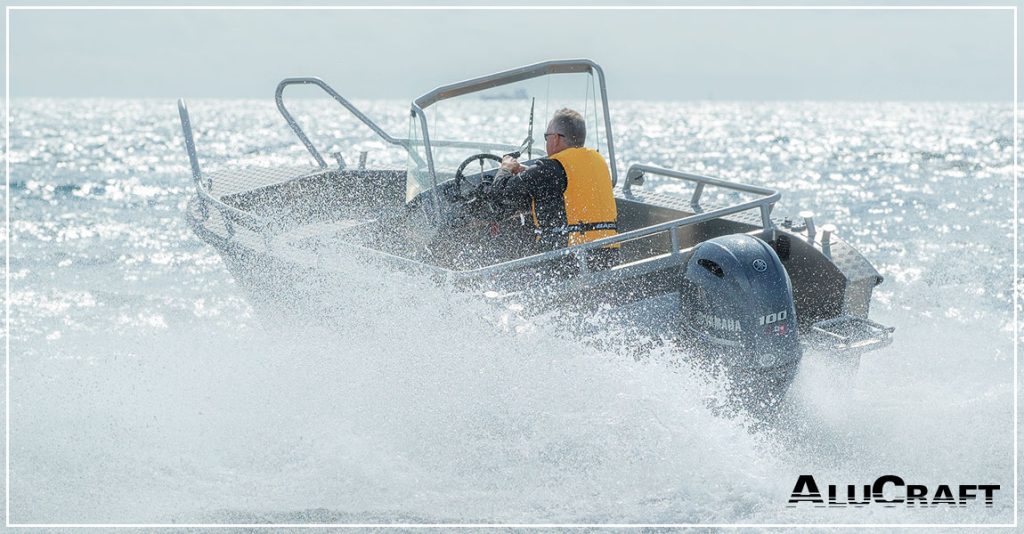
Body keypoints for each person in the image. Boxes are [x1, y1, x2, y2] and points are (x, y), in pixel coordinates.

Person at [480, 108, 619, 271]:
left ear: (555, 138)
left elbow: (500, 194)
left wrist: (505, 168)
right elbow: (569, 190)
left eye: (546, 137)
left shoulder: (551, 169)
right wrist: (528, 172)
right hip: (607, 257)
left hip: (568, 261)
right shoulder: (597, 161)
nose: (546, 142)